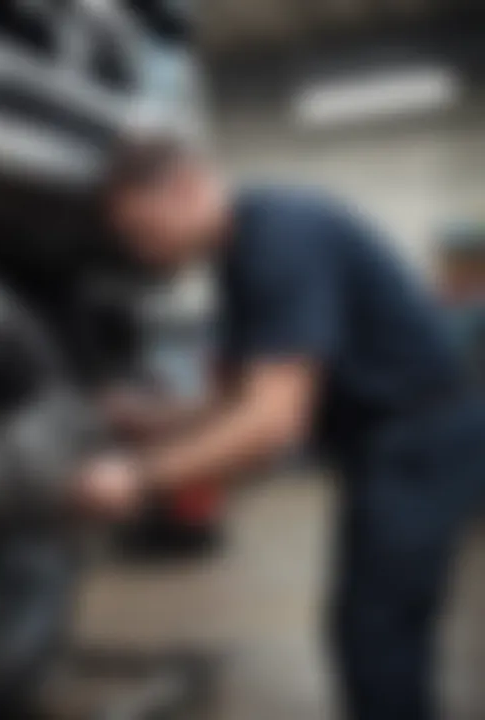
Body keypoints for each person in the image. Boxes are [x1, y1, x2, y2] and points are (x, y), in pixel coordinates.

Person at [76, 136, 485, 720]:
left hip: (421, 438)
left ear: (185, 188)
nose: (141, 253)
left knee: (378, 635)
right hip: (389, 442)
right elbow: (236, 400)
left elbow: (272, 423)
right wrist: (146, 418)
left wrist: (137, 478)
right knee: (373, 627)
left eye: (143, 230)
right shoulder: (239, 260)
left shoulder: (279, 236)